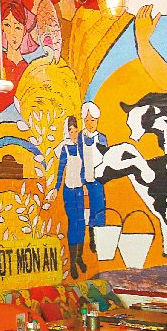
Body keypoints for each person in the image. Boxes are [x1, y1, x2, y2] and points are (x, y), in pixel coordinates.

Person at [0, 0, 37, 117]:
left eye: (17, 27)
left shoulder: (27, 70)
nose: (13, 33)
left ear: (24, 30)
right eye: (7, 25)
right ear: (2, 28)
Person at [55, 116, 87, 278]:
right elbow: (60, 171)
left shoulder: (81, 148)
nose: (74, 135)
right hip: (68, 191)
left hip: (79, 190)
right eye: (71, 132)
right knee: (73, 224)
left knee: (81, 224)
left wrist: (84, 183)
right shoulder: (65, 149)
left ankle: (79, 257)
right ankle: (73, 263)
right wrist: (56, 188)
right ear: (67, 133)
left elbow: (84, 168)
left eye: (76, 131)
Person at [79, 103, 108, 254]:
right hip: (85, 180)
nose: (90, 123)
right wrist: (82, 182)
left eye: (93, 120)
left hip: (98, 180)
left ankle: (97, 239)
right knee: (85, 210)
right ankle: (89, 237)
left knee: (99, 209)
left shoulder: (102, 138)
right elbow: (79, 160)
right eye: (87, 120)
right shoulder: (80, 138)